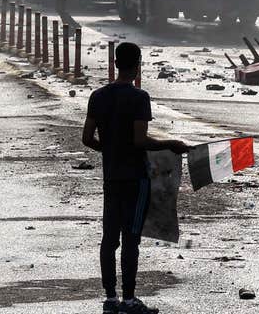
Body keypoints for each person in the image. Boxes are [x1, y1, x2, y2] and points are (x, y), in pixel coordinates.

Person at [81, 42, 189, 314]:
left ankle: (109, 299)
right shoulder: (139, 98)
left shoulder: (98, 96)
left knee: (109, 239)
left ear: (116, 63)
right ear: (138, 64)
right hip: (135, 179)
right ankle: (128, 300)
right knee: (131, 239)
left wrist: (109, 150)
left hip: (112, 177)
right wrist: (171, 143)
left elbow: (86, 138)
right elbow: (140, 140)